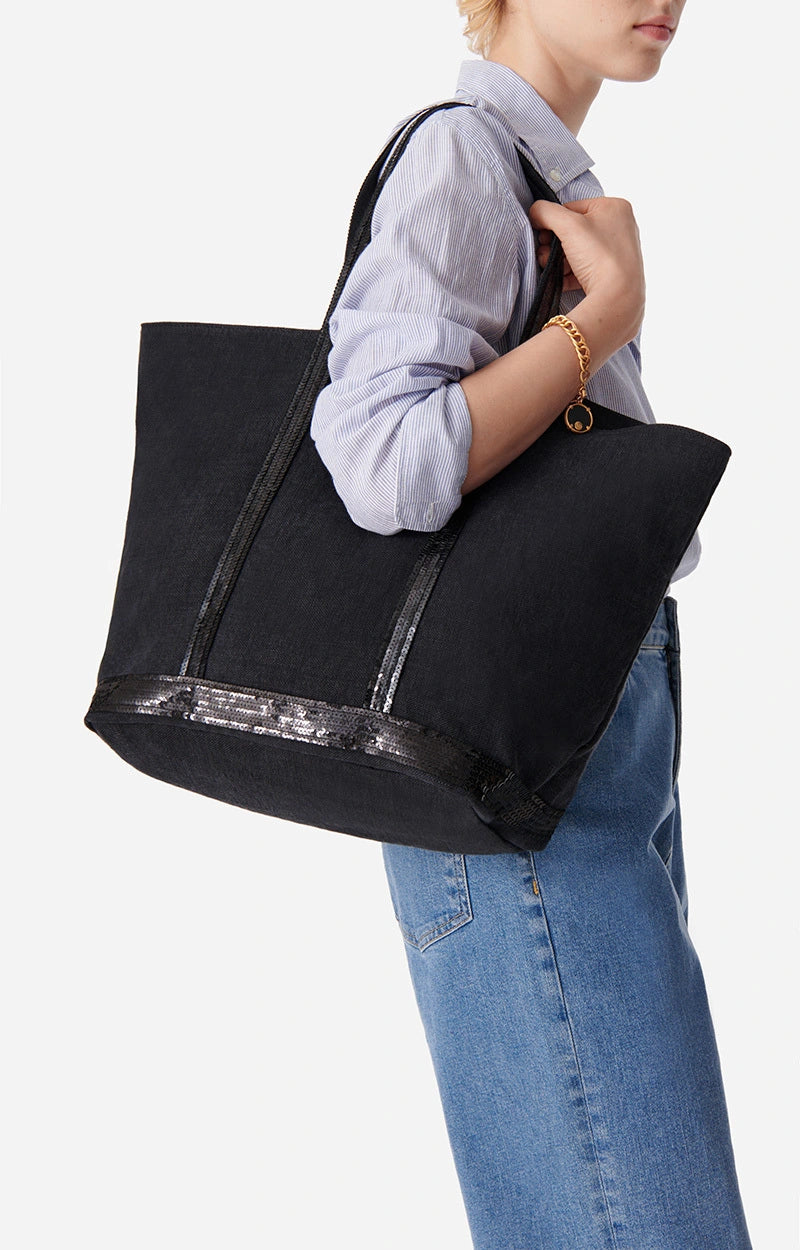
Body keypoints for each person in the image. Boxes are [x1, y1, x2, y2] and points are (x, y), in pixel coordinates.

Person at [311, 2, 754, 1246]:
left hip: (570, 750)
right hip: (512, 773)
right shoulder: (464, 155)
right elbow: (383, 461)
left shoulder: (540, 177)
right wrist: (598, 321)